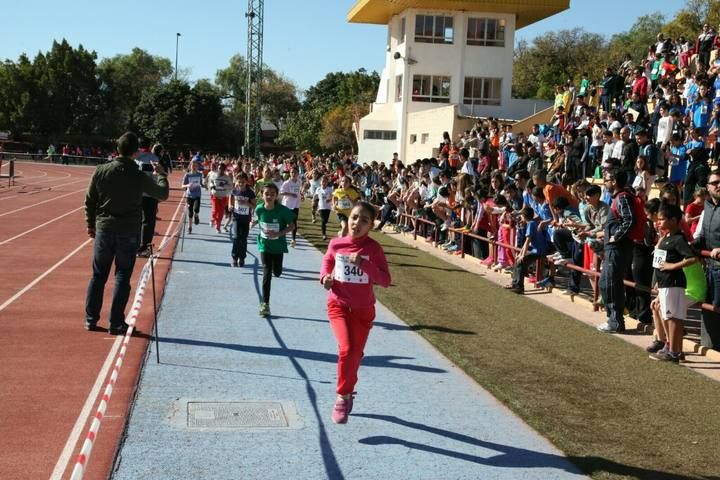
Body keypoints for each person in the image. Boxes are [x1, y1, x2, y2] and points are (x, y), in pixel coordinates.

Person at [84, 132, 169, 335]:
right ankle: (116, 322)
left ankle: (90, 319)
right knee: (122, 275)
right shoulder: (138, 175)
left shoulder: (101, 170)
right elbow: (162, 194)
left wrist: (90, 223)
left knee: (98, 275)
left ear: (117, 149)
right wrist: (162, 175)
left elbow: (89, 200)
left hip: (104, 228)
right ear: (136, 152)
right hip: (128, 231)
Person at [320, 202, 391, 424]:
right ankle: (342, 397)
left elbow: (385, 281)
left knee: (354, 355)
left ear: (370, 226)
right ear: (348, 218)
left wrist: (363, 264)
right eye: (354, 217)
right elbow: (327, 263)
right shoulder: (336, 243)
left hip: (363, 310)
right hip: (338, 305)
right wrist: (325, 278)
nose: (357, 223)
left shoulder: (373, 249)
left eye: (364, 220)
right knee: (347, 350)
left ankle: (349, 388)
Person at [647, 204, 700, 362]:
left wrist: (672, 266)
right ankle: (672, 349)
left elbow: (691, 258)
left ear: (674, 220)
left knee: (674, 318)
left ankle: (674, 351)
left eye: (662, 219)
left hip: (673, 283)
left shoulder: (678, 239)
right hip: (665, 283)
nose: (658, 222)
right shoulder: (667, 237)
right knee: (669, 316)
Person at [597, 169, 636, 333]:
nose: (604, 183)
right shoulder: (618, 199)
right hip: (613, 248)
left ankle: (616, 321)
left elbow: (630, 220)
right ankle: (613, 318)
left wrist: (616, 236)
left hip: (618, 249)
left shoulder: (623, 198)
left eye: (606, 180)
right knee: (606, 283)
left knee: (611, 284)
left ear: (614, 181)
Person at [253, 183, 296, 317]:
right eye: (267, 194)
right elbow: (257, 219)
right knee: (266, 273)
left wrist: (278, 234)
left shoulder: (283, 211)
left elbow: (292, 226)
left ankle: (275, 268)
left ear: (276, 195)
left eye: (272, 194)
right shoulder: (259, 209)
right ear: (262, 195)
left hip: (278, 247)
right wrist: (252, 222)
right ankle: (265, 304)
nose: (269, 196)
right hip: (264, 245)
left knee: (277, 272)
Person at [134, 140, 160, 257]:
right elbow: (156, 176)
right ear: (150, 146)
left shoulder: (135, 158)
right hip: (149, 194)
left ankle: (135, 246)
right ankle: (143, 247)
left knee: (136, 220)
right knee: (148, 221)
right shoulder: (153, 158)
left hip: (136, 194)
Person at [229, 173, 256, 267]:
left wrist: (246, 203)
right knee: (236, 237)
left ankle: (242, 258)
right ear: (236, 181)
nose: (241, 184)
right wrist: (230, 205)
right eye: (239, 182)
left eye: (243, 182)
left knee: (243, 239)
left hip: (245, 219)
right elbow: (231, 197)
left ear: (246, 182)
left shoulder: (250, 192)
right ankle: (234, 258)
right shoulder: (235, 190)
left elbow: (254, 206)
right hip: (236, 217)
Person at [280, 167, 303, 248]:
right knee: (285, 222)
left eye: (295, 172)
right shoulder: (287, 183)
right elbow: (281, 193)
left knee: (294, 222)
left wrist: (301, 195)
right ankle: (281, 236)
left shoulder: (299, 181)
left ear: (297, 174)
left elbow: (299, 191)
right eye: (292, 172)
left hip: (296, 205)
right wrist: (290, 194)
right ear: (290, 173)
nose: (293, 174)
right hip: (287, 205)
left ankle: (293, 239)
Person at [208, 163, 233, 233]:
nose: (220, 170)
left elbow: (231, 186)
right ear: (217, 169)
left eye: (222, 169)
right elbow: (211, 183)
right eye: (219, 168)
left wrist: (225, 185)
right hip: (215, 196)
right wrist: (212, 188)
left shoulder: (227, 178)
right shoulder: (214, 175)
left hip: (223, 197)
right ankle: (212, 219)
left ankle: (218, 227)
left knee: (221, 214)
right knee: (215, 211)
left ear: (224, 170)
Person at [181, 161, 204, 233]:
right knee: (190, 213)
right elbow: (182, 186)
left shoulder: (200, 175)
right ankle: (189, 227)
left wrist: (204, 185)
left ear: (197, 167)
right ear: (190, 166)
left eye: (195, 166)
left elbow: (201, 183)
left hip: (197, 195)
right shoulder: (187, 175)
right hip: (189, 195)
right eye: (193, 166)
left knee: (196, 209)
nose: (194, 167)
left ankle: (196, 216)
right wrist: (187, 185)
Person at [314, 176, 334, 240]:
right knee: (323, 221)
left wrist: (330, 200)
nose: (324, 183)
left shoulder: (330, 189)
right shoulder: (318, 189)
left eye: (325, 181)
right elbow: (316, 196)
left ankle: (324, 232)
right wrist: (314, 202)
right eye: (322, 181)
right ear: (320, 182)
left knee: (326, 220)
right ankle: (324, 234)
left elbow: (333, 197)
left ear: (327, 182)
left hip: (328, 207)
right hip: (321, 207)